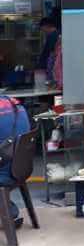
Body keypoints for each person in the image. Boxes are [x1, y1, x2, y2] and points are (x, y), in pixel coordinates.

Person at [0, 96, 31, 229]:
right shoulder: (18, 106)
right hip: (22, 169)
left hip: (5, 173)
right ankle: (9, 211)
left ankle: (9, 212)